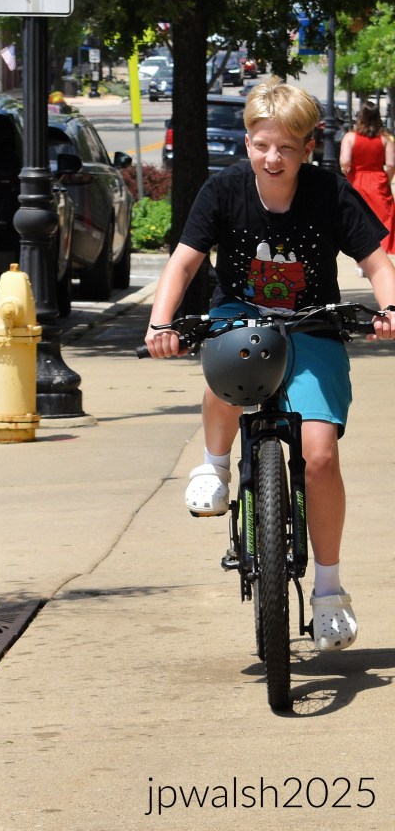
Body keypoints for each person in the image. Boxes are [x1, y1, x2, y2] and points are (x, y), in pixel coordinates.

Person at [144, 77, 395, 652]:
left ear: (308, 146)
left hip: (312, 322)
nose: (272, 157)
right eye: (261, 145)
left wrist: (389, 309)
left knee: (320, 455)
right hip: (241, 315)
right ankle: (214, 466)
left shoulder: (330, 192)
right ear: (247, 143)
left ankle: (329, 591)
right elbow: (184, 262)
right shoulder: (224, 190)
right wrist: (161, 324)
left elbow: (377, 264)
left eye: (285, 146)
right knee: (228, 359)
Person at [339, 100, 395, 255]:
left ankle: (360, 249)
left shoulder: (350, 137)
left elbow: (345, 162)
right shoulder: (385, 139)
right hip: (378, 180)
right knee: (383, 216)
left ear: (360, 117)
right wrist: (387, 180)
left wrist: (346, 173)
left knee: (357, 216)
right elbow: (391, 164)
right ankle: (381, 250)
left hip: (356, 179)